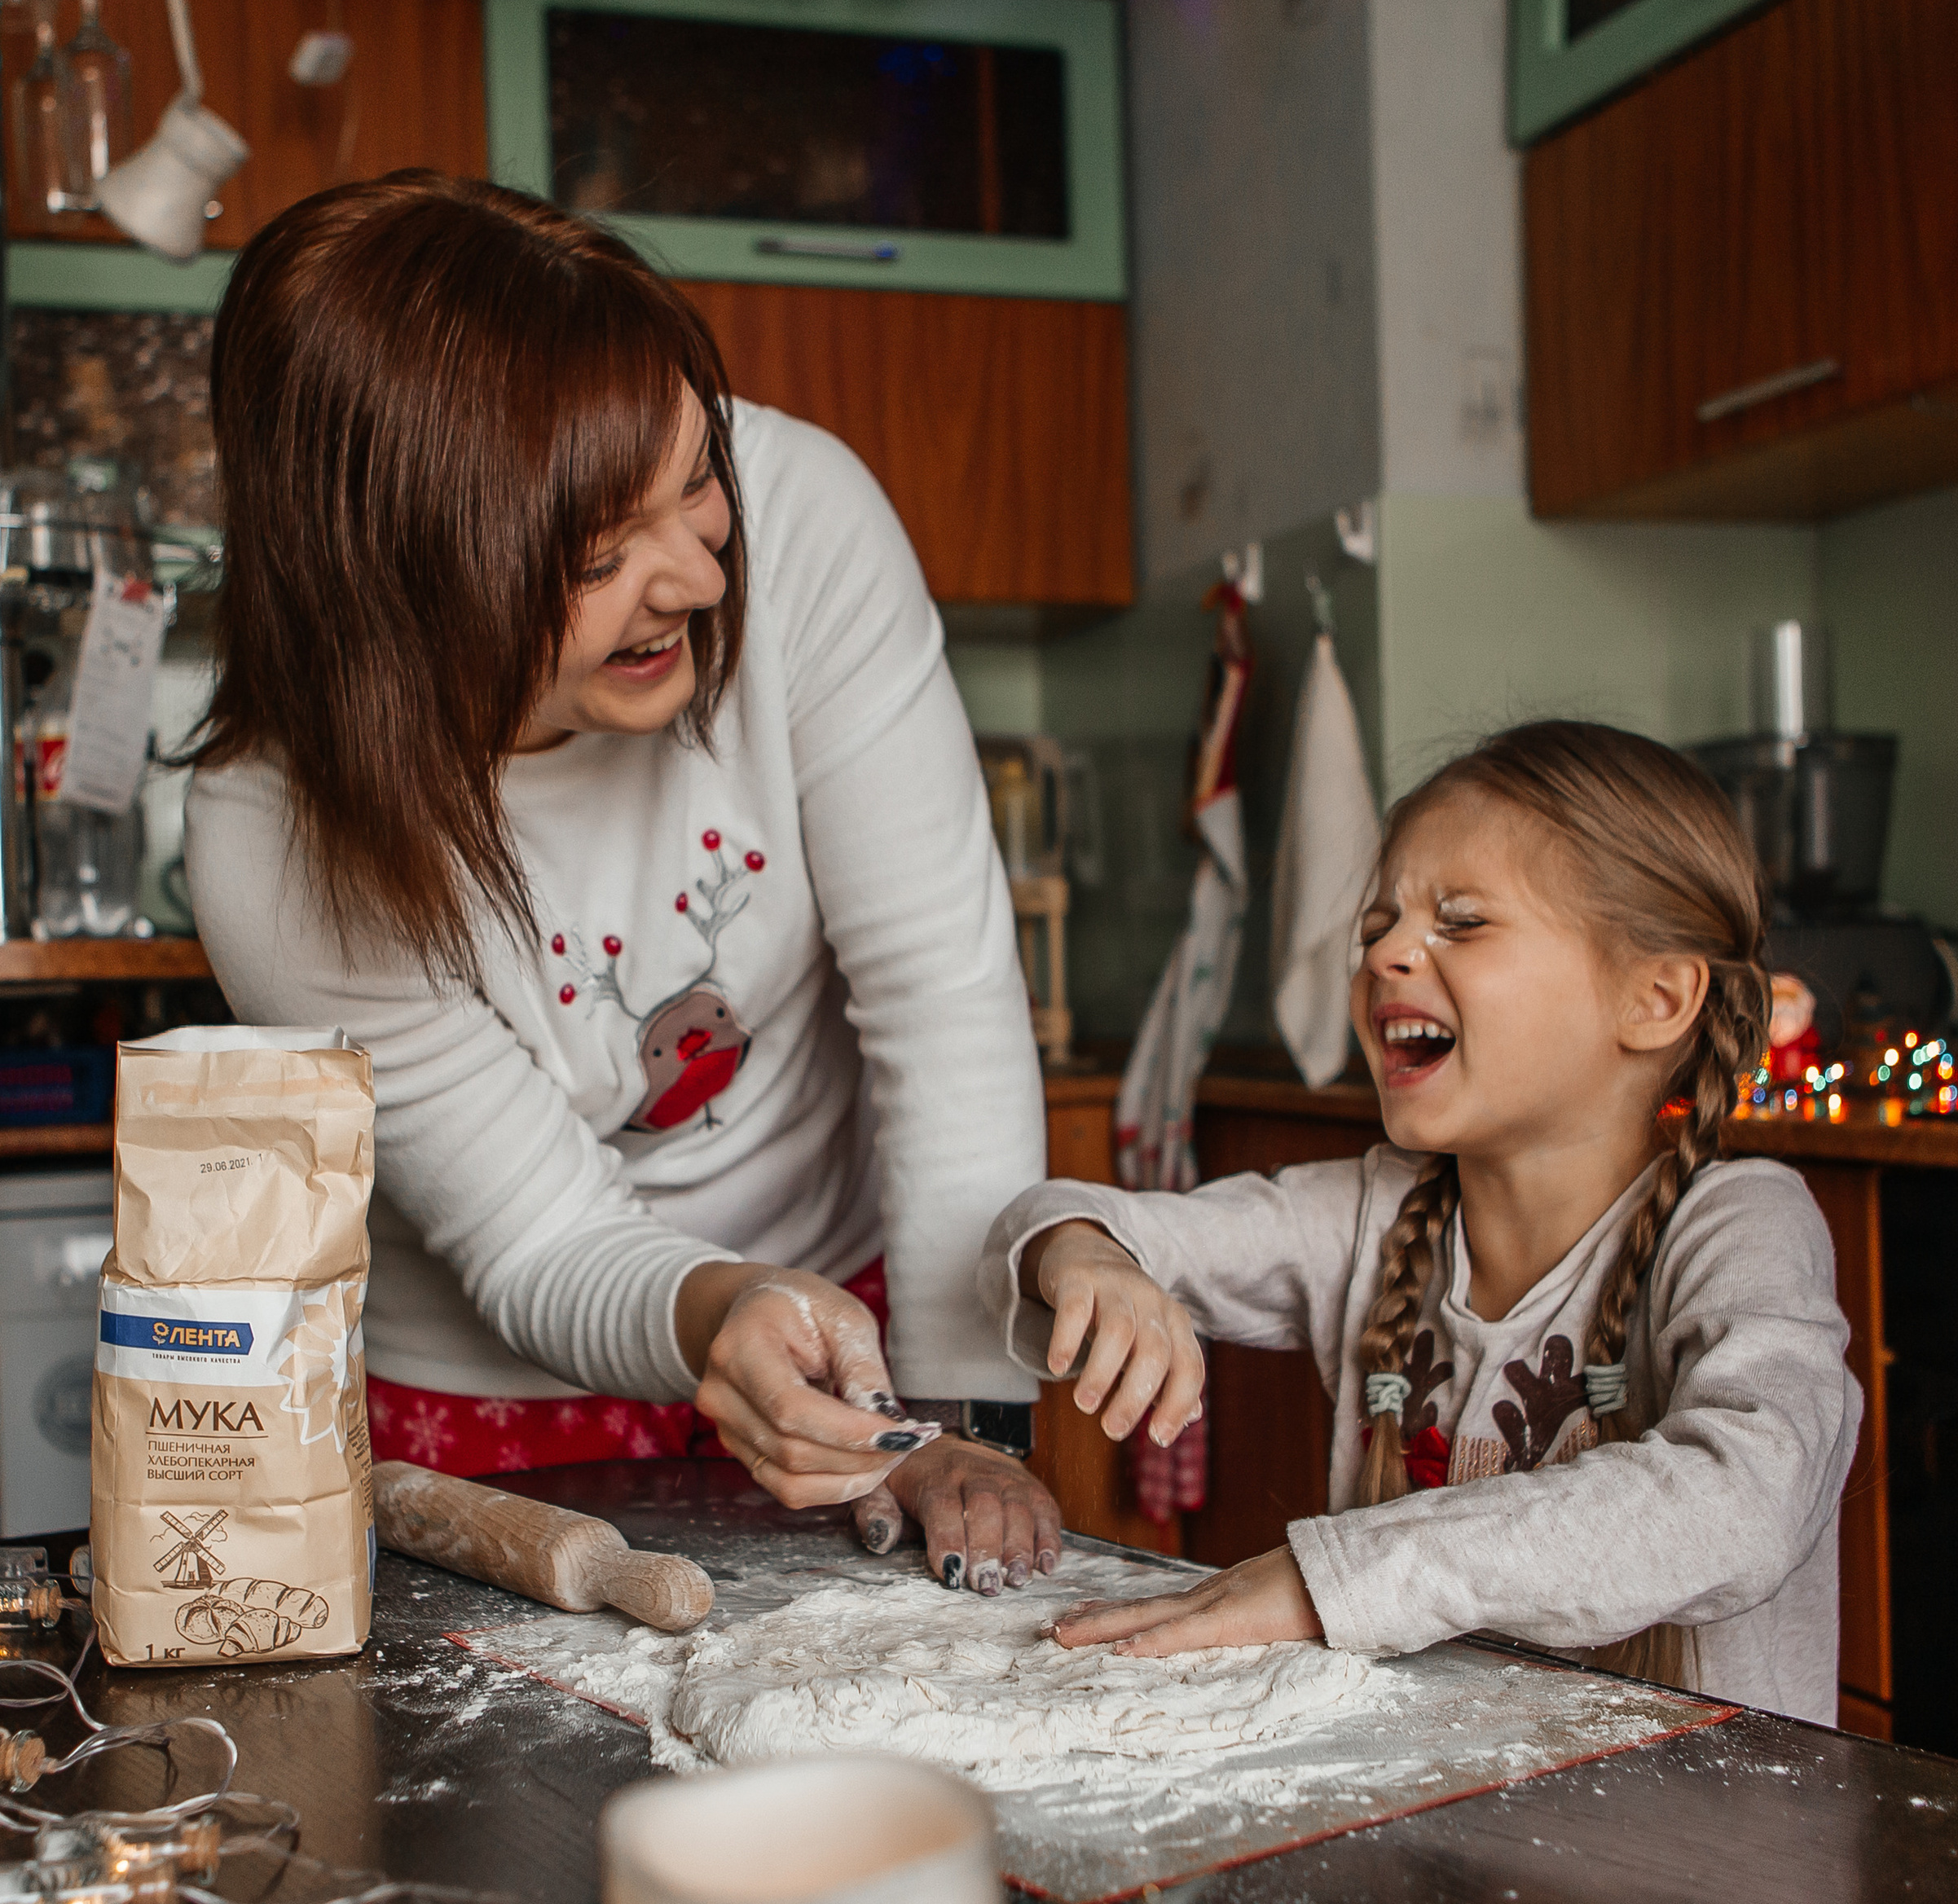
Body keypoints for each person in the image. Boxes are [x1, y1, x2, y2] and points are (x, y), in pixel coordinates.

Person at [183, 171, 1063, 1593]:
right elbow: (539, 1232)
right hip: (493, 1385)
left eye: (696, 480)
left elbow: (942, 1000)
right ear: (408, 583)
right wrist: (715, 1308)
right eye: (600, 556)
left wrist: (962, 1419)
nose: (700, 581)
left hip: (854, 1319)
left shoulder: (808, 522)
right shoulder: (273, 829)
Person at [979, 720, 1863, 1718]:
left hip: (1707, 1862)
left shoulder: (1739, 1224)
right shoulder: (1376, 1213)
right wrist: (1087, 1256)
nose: (1388, 953)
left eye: (1463, 922)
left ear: (1653, 997)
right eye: (1377, 927)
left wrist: (1334, 1580)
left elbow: (1742, 1499)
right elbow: (1052, 1217)